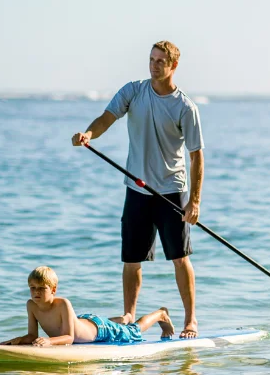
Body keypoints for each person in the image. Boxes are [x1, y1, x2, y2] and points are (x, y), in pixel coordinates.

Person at [72, 40, 204, 339]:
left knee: (179, 258)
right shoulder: (133, 91)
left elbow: (196, 156)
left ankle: (190, 320)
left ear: (173, 66)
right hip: (137, 189)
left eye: (161, 61)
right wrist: (88, 134)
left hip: (171, 191)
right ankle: (130, 313)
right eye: (151, 59)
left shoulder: (185, 107)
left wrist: (194, 201)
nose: (154, 65)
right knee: (131, 260)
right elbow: (107, 118)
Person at [0, 266, 174, 346]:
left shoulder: (63, 304)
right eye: (32, 288)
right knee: (122, 324)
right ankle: (124, 318)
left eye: (41, 289)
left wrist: (49, 341)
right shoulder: (31, 305)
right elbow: (32, 335)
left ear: (53, 289)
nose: (36, 292)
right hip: (83, 321)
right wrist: (18, 340)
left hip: (99, 328)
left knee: (133, 331)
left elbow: (68, 337)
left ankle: (160, 314)